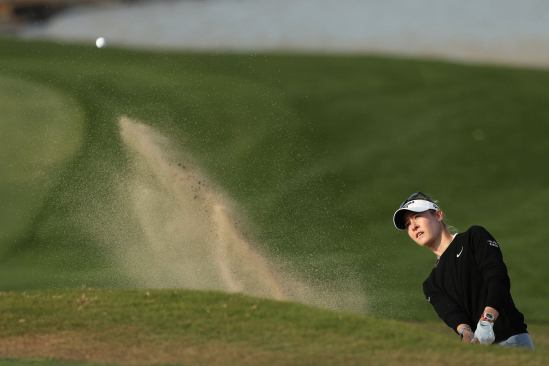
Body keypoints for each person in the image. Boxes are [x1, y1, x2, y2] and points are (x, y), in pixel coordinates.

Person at [392, 192, 534, 349]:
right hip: (480, 351)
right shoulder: (431, 285)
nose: (413, 226)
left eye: (417, 216)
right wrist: (466, 334)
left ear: (438, 215)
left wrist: (487, 320)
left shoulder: (473, 238)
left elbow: (498, 279)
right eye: (407, 225)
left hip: (512, 340)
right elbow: (453, 314)